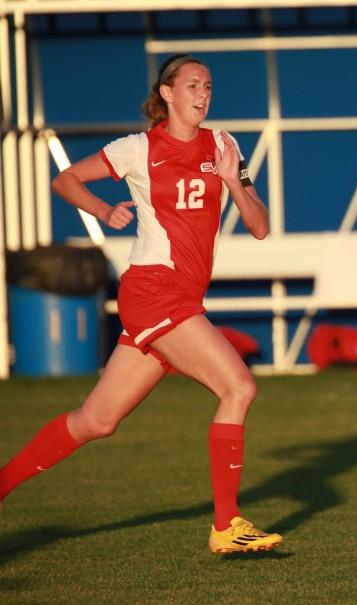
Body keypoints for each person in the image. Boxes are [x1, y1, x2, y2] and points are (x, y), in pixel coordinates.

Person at [0, 54, 282, 554]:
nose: (203, 94)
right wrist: (104, 209)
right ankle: (226, 524)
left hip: (178, 298)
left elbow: (260, 227)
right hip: (154, 291)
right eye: (192, 85)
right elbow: (65, 180)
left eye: (209, 86)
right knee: (238, 387)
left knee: (96, 421)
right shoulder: (137, 148)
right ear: (167, 94)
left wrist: (233, 180)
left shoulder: (224, 144)